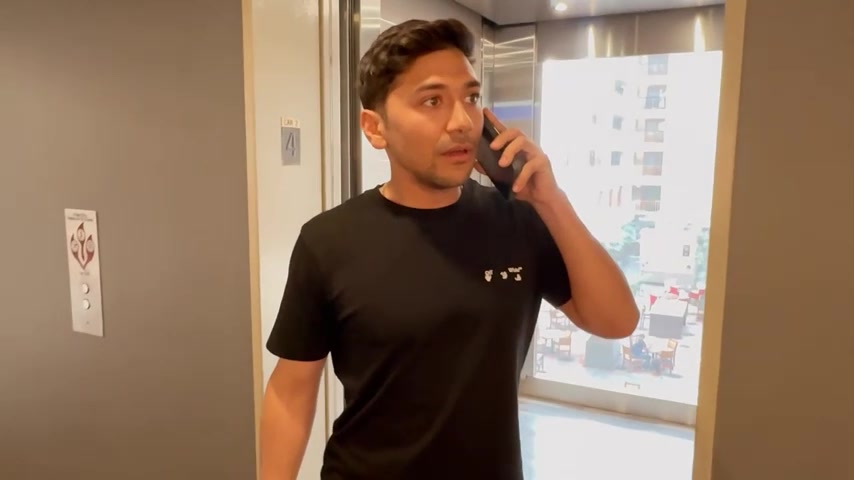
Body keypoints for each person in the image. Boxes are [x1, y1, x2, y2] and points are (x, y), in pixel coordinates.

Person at [260, 18, 639, 480]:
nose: (462, 122)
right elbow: (291, 391)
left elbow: (616, 321)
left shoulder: (518, 221)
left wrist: (551, 202)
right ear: (375, 128)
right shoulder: (328, 241)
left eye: (471, 98)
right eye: (433, 100)